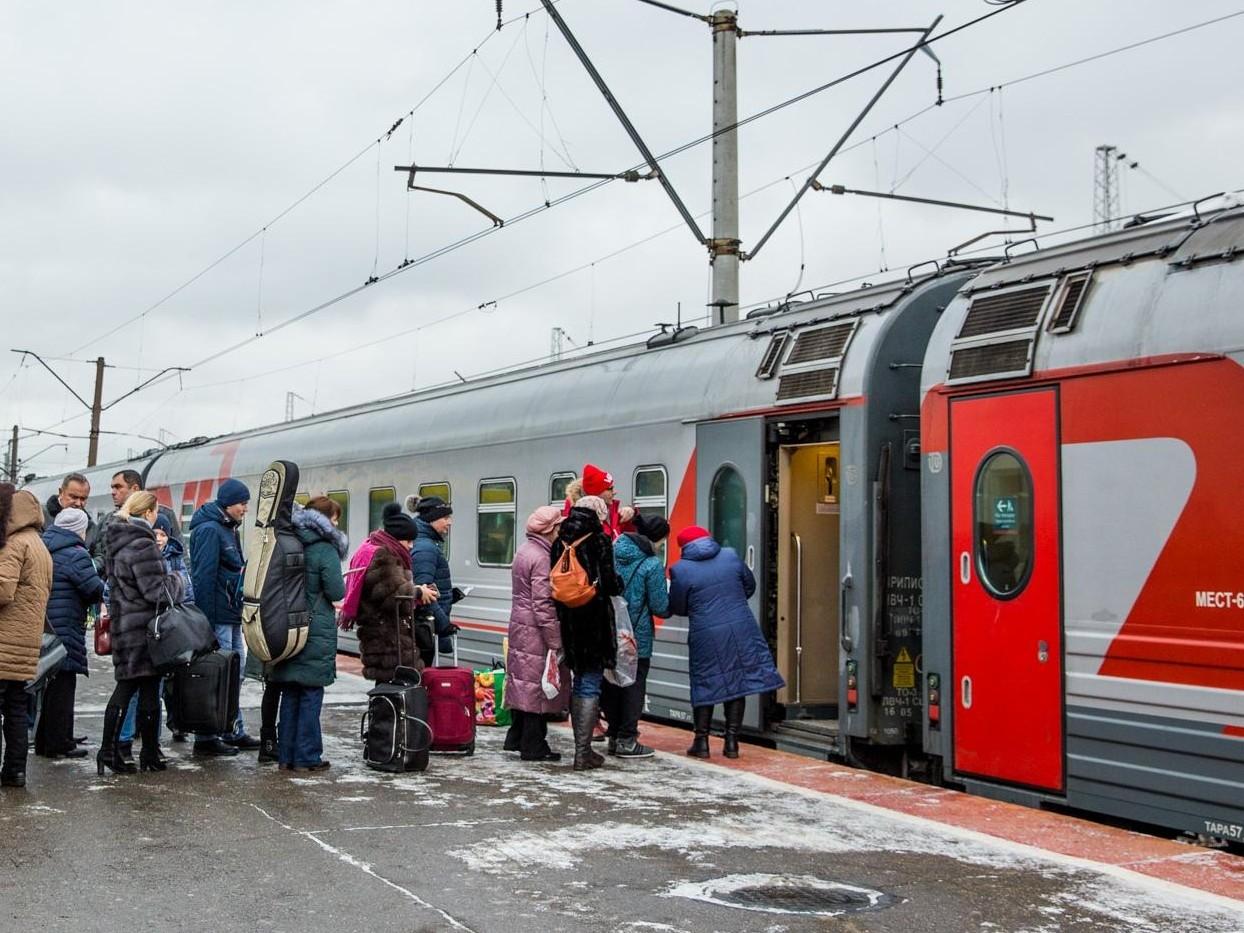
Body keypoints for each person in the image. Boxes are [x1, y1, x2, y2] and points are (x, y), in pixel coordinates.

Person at [669, 526, 785, 760]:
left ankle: (701, 742)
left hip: (705, 634)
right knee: (737, 682)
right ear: (708, 538)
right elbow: (749, 586)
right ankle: (732, 742)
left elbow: (678, 607)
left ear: (684, 547)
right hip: (741, 628)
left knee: (705, 683)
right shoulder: (730, 555)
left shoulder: (681, 569)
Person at [98, 491, 183, 774]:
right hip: (145, 629)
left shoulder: (118, 541)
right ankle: (143, 753)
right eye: (156, 511)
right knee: (141, 692)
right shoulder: (143, 546)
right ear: (148, 513)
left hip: (125, 627)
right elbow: (156, 592)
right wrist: (176, 579)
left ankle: (112, 752)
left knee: (133, 688)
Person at [267, 497, 347, 772]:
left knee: (290, 693)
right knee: (311, 693)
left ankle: (286, 756)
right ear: (325, 520)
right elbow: (336, 591)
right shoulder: (325, 549)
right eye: (335, 519)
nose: (337, 524)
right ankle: (307, 756)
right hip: (313, 628)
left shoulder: (286, 540)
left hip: (283, 626)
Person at [550, 494, 622, 771]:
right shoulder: (599, 540)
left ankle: (582, 749)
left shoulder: (560, 541)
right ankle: (583, 752)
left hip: (568, 620)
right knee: (591, 681)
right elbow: (609, 583)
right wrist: (619, 582)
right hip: (594, 621)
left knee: (579, 679)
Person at [188, 478, 256, 756]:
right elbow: (203, 576)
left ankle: (230, 728)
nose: (245, 509)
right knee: (218, 676)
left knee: (234, 675)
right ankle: (208, 736)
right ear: (229, 503)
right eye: (242, 503)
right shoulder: (210, 531)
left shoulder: (227, 529)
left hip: (230, 615)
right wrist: (205, 622)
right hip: (216, 616)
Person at [118, 512, 191, 758]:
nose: (159, 538)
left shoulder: (175, 558)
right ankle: (124, 741)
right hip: (140, 630)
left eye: (163, 534)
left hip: (165, 631)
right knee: (134, 690)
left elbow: (187, 592)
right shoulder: (139, 556)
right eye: (155, 533)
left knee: (155, 690)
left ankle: (152, 744)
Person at [601, 513, 670, 759]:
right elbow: (661, 606)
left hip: (609, 630)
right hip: (635, 635)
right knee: (633, 685)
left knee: (610, 683)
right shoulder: (651, 565)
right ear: (657, 538)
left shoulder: (611, 550)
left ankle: (613, 735)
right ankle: (627, 740)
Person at [37, 507, 104, 760]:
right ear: (80, 530)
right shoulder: (76, 555)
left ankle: (49, 739)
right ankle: (59, 743)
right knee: (64, 685)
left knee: (52, 687)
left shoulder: (46, 547)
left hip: (47, 625)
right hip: (66, 625)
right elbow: (94, 589)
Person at [504, 506, 569, 762]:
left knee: (522, 681)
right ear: (551, 529)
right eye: (559, 527)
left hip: (521, 623)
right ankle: (534, 745)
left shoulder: (524, 550)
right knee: (537, 687)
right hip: (536, 628)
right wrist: (555, 638)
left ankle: (516, 737)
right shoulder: (542, 557)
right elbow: (542, 603)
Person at [0, 486, 53, 788]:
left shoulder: (14, 544)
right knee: (17, 711)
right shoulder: (39, 545)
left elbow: (3, 590)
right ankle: (15, 772)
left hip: (3, 642)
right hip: (25, 644)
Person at [345, 503, 435, 682]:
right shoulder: (383, 557)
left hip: (384, 636)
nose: (411, 546)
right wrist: (417, 591)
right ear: (397, 538)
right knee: (392, 685)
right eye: (409, 541)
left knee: (389, 687)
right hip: (387, 639)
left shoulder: (378, 550)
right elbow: (392, 593)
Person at [412, 497, 456, 659]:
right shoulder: (426, 548)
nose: (449, 522)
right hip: (424, 626)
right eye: (445, 518)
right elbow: (423, 593)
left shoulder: (425, 543)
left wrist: (449, 595)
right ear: (432, 519)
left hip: (426, 624)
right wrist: (443, 624)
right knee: (420, 674)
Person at [43, 473, 96, 552]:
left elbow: (99, 554)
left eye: (83, 499)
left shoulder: (91, 527)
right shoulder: (41, 518)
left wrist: (89, 563)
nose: (78, 503)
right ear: (61, 492)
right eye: (73, 497)